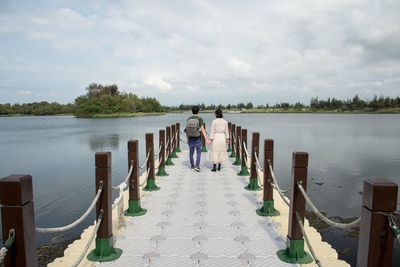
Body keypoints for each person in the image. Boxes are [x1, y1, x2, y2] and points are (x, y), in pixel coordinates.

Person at [185, 105, 207, 172]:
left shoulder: (189, 119)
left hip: (190, 137)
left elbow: (187, 129)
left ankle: (192, 165)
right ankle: (197, 166)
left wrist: (187, 138)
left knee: (191, 152)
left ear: (192, 111)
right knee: (198, 152)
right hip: (197, 137)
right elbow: (202, 129)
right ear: (198, 111)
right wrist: (206, 138)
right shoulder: (200, 119)